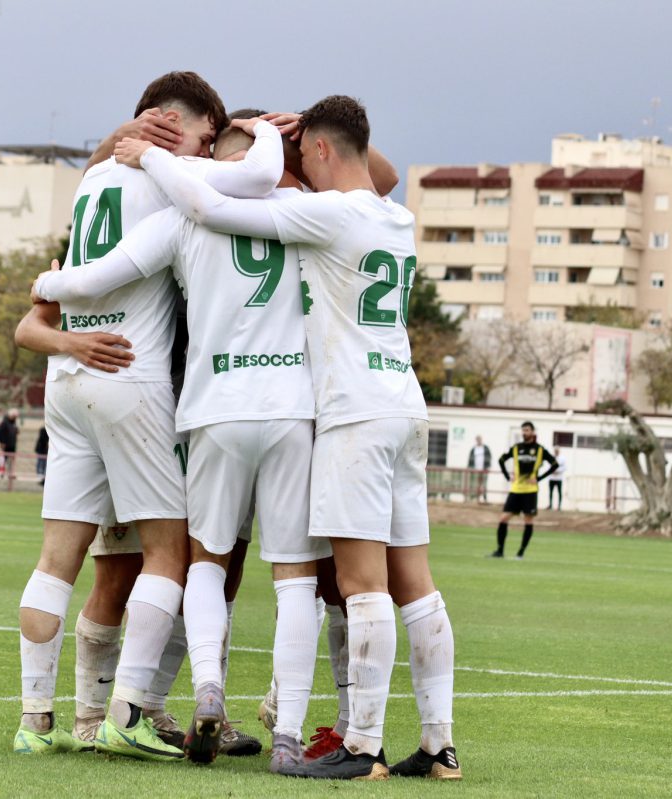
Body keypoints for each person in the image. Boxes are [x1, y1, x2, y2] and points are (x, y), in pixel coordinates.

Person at [123, 95, 459, 780]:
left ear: (324, 150)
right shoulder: (399, 218)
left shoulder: (325, 214)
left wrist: (150, 154)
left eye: (304, 150)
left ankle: (360, 745)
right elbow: (371, 166)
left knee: (360, 584)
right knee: (415, 585)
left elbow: (211, 208)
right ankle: (438, 742)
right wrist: (306, 127)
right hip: (404, 402)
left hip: (348, 411)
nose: (292, 160)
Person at [33, 112, 328, 770]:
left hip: (208, 408)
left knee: (201, 564)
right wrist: (288, 131)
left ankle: (185, 699)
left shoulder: (180, 214)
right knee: (293, 579)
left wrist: (47, 284)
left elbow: (84, 281)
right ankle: (284, 731)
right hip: (283, 409)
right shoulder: (308, 210)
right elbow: (361, 179)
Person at [490, 422, 559, 559]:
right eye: (523, 430)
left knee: (528, 521)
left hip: (530, 491)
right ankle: (500, 551)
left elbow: (554, 464)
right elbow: (501, 460)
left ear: (533, 432)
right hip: (515, 490)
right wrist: (507, 475)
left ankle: (520, 553)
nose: (524, 432)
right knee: (503, 519)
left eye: (527, 430)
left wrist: (538, 478)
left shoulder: (539, 450)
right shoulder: (516, 448)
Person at [467, 435, 492, 503]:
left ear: (481, 440)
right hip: (475, 470)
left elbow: (489, 457)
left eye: (479, 439)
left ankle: (484, 498)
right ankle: (474, 498)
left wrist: (488, 467)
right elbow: (470, 460)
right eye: (477, 439)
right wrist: (469, 468)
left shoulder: (486, 448)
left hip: (484, 469)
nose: (478, 441)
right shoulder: (473, 449)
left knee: (484, 484)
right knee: (475, 484)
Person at [0, 408, 19, 477]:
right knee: (3, 459)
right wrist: (2, 443)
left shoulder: (14, 423)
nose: (15, 418)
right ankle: (1, 473)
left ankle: (10, 473)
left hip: (12, 445)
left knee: (12, 460)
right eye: (14, 416)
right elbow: (0, 433)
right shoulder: (4, 423)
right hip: (5, 445)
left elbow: (16, 431)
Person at [548, 445, 567, 510]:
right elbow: (549, 466)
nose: (556, 451)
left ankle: (559, 506)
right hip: (552, 478)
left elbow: (564, 467)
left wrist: (557, 471)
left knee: (559, 492)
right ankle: (550, 505)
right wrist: (552, 471)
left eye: (557, 450)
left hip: (559, 478)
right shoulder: (552, 457)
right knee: (551, 492)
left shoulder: (562, 458)